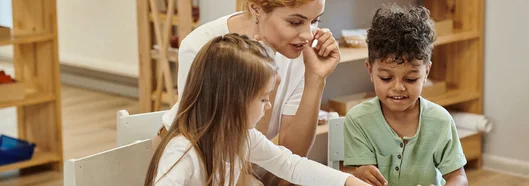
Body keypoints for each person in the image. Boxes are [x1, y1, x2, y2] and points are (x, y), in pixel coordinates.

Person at [145, 33, 368, 186]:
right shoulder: (183, 151)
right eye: (263, 99)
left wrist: (347, 181)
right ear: (233, 101)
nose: (269, 105)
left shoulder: (241, 137)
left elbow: (290, 164)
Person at [157, 0, 338, 184]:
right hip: (205, 164)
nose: (308, 35)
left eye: (316, 20)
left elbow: (290, 159)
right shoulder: (205, 46)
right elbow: (216, 143)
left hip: (248, 166)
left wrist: (316, 78)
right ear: (255, 8)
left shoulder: (300, 49)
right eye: (295, 22)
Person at [342, 5, 469, 186]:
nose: (398, 87)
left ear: (426, 73)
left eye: (410, 79)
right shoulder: (358, 120)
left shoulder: (440, 121)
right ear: (370, 70)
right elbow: (347, 175)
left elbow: (459, 177)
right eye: (386, 78)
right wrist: (357, 174)